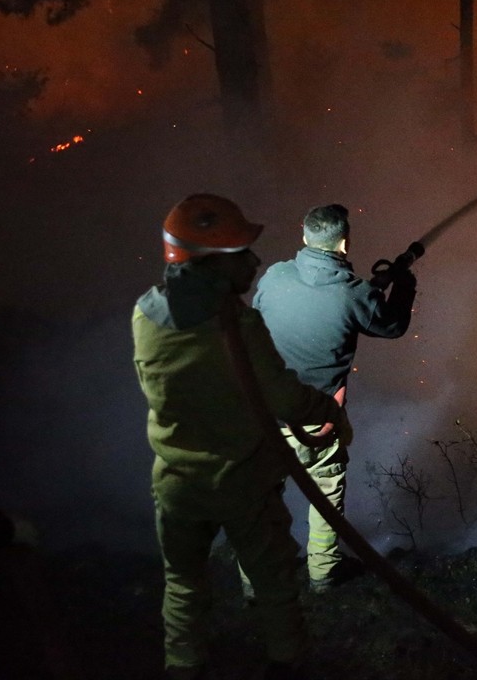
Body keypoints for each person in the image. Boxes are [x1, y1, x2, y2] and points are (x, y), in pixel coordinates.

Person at [133, 193, 342, 680]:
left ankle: (183, 667)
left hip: (177, 482)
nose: (253, 261)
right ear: (209, 261)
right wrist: (328, 411)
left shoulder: (144, 314)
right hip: (242, 481)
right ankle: (286, 664)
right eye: (240, 253)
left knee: (183, 583)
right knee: (273, 582)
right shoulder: (238, 326)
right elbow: (284, 398)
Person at [250, 203, 417, 592]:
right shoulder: (354, 294)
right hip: (318, 421)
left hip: (266, 415)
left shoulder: (275, 276)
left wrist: (366, 287)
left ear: (304, 235)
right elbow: (392, 325)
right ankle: (323, 575)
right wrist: (404, 284)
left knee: (261, 501)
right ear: (344, 243)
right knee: (325, 497)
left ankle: (255, 583)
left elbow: (293, 309)